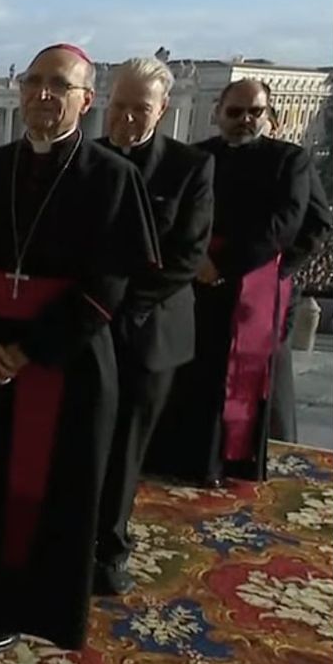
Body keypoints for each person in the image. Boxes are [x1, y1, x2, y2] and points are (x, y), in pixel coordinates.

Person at [0, 44, 158, 654]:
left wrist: (29, 350)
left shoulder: (114, 179)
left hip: (66, 364)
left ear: (85, 100)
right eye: (34, 81)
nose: (43, 94)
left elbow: (108, 288)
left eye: (59, 86)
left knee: (50, 494)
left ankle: (32, 605)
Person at [147, 79, 312, 484]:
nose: (244, 120)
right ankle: (181, 458)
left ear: (268, 115)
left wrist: (258, 269)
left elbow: (288, 223)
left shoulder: (290, 160)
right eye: (235, 112)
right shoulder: (197, 156)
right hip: (197, 280)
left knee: (239, 379)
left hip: (251, 284)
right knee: (191, 374)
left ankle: (230, 461)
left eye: (254, 112)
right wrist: (197, 259)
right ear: (217, 112)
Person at [91, 57, 215, 596]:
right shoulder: (86, 158)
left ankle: (111, 549)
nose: (124, 118)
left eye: (139, 109)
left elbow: (186, 258)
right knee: (76, 441)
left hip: (147, 333)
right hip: (86, 330)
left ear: (162, 110)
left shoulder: (189, 167)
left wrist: (111, 306)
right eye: (117, 106)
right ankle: (67, 540)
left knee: (125, 449)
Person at [267, 174, 331, 441]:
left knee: (271, 375)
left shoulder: (292, 163)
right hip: (214, 283)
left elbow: (317, 223)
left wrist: (281, 266)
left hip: (269, 286)